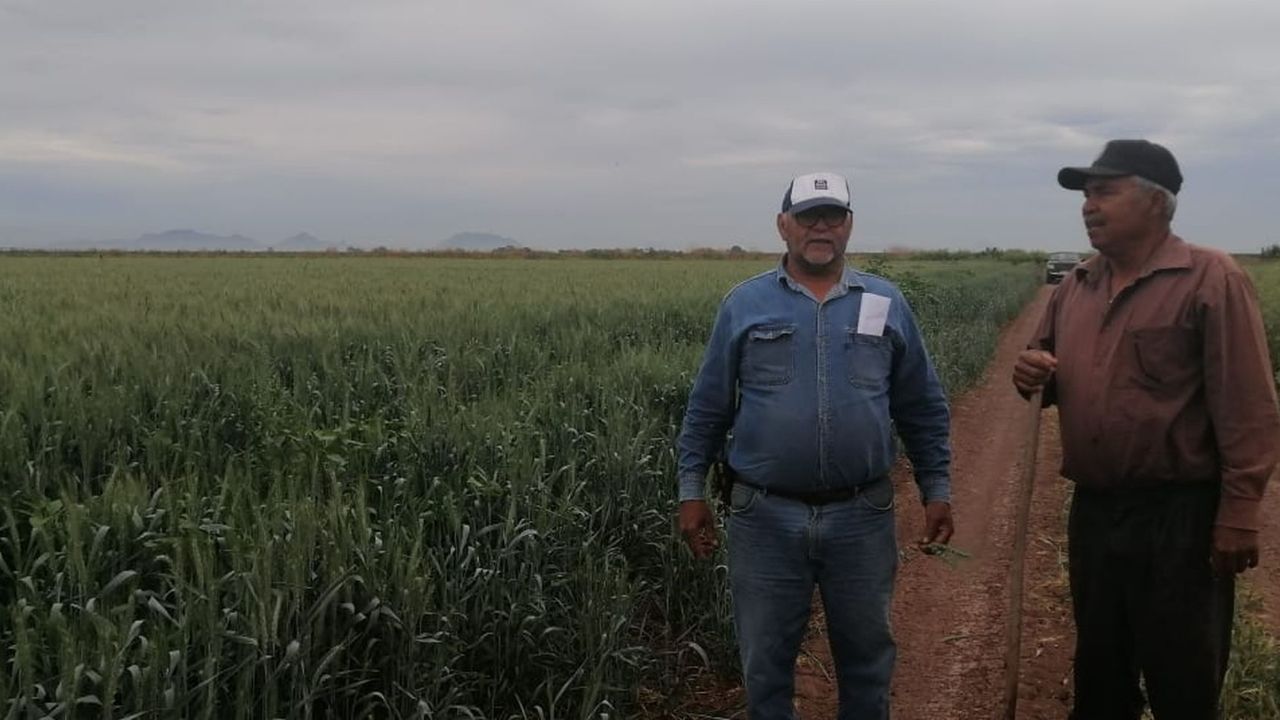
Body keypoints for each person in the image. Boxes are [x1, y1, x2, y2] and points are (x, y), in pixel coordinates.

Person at [1013, 139, 1280, 719]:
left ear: (1158, 202)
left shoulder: (1211, 279)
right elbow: (1046, 374)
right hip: (1097, 513)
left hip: (1180, 518)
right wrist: (1029, 371)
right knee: (1101, 673)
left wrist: (1238, 515)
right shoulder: (1077, 285)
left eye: (1105, 191)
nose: (1088, 205)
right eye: (1086, 194)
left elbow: (1250, 407)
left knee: (1182, 678)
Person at [676, 171, 954, 719]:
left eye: (833, 216)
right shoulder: (744, 304)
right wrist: (692, 490)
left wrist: (936, 488)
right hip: (764, 516)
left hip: (862, 514)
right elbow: (707, 408)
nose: (821, 227)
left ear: (849, 226)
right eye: (808, 217)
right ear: (785, 226)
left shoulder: (886, 302)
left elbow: (921, 404)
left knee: (867, 660)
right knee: (766, 665)